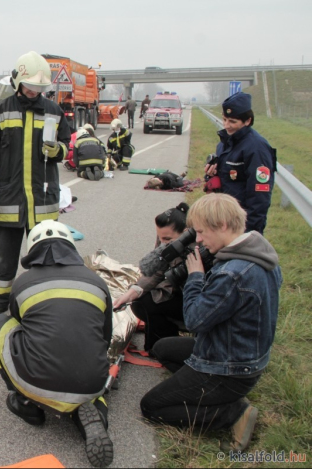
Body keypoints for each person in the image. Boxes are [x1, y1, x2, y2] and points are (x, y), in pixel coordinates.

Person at [140, 194, 282, 452]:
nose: (200, 240)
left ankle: (232, 413)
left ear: (223, 225)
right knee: (162, 348)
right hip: (242, 354)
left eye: (203, 232)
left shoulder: (232, 273)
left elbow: (195, 320)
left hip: (228, 367)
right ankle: (211, 395)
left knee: (151, 406)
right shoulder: (260, 254)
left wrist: (195, 277)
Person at [0, 220, 113, 468]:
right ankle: (93, 408)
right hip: (93, 380)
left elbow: (20, 328)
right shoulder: (96, 281)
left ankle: (26, 402)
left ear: (33, 249)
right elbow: (105, 337)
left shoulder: (23, 282)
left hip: (37, 381)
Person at [0, 51, 71, 320]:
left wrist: (57, 150)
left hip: (42, 200)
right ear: (19, 82)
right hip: (8, 197)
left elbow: (67, 147)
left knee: (46, 257)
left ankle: (43, 302)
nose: (35, 93)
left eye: (39, 89)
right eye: (31, 88)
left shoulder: (54, 111)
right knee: (4, 257)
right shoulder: (1, 110)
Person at [112, 203, 190, 352]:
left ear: (186, 233)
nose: (162, 244)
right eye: (160, 238)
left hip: (194, 297)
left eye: (167, 239)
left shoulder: (199, 248)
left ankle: (167, 347)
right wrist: (131, 293)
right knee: (139, 301)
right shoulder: (166, 242)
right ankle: (162, 343)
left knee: (150, 301)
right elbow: (156, 272)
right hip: (181, 293)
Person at [204, 92, 276, 234]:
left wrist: (250, 232)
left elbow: (260, 197)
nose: (226, 125)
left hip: (242, 224)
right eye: (224, 120)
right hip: (222, 219)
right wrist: (211, 175)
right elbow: (225, 179)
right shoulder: (224, 143)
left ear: (247, 121)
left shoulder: (257, 148)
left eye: (232, 122)